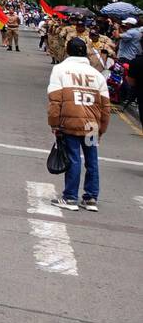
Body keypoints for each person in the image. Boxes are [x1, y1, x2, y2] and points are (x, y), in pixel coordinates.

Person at [47, 37, 110, 212]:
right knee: (91, 160)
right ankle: (90, 198)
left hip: (70, 123)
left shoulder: (60, 70)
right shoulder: (97, 75)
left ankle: (70, 197)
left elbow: (54, 101)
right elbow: (105, 106)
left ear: (67, 51)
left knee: (73, 158)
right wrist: (102, 129)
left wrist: (54, 123)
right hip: (92, 127)